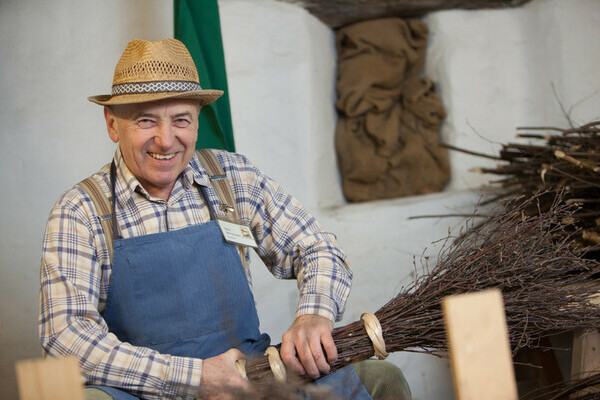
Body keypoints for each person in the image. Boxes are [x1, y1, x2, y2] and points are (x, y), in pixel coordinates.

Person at [39, 38, 411, 400]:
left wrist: (314, 313)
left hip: (250, 381)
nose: (166, 140)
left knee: (380, 379)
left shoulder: (233, 178)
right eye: (146, 121)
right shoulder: (81, 210)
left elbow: (318, 247)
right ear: (112, 124)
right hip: (146, 391)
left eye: (181, 120)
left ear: (197, 120)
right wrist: (193, 379)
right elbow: (66, 336)